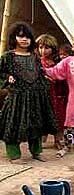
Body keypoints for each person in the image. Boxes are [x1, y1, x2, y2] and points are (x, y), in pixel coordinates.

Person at [0, 22, 57, 161]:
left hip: (36, 96)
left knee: (36, 124)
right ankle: (14, 154)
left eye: (27, 37)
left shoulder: (34, 57)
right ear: (14, 38)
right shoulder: (7, 57)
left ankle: (36, 152)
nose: (24, 39)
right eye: (21, 36)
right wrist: (8, 77)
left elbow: (39, 73)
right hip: (17, 97)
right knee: (13, 124)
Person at [36, 34, 68, 150]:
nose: (43, 51)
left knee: (58, 117)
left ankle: (58, 140)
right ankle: (38, 142)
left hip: (57, 94)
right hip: (42, 94)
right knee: (42, 116)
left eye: (46, 48)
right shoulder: (37, 62)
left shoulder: (59, 62)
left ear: (53, 49)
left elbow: (63, 76)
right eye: (40, 47)